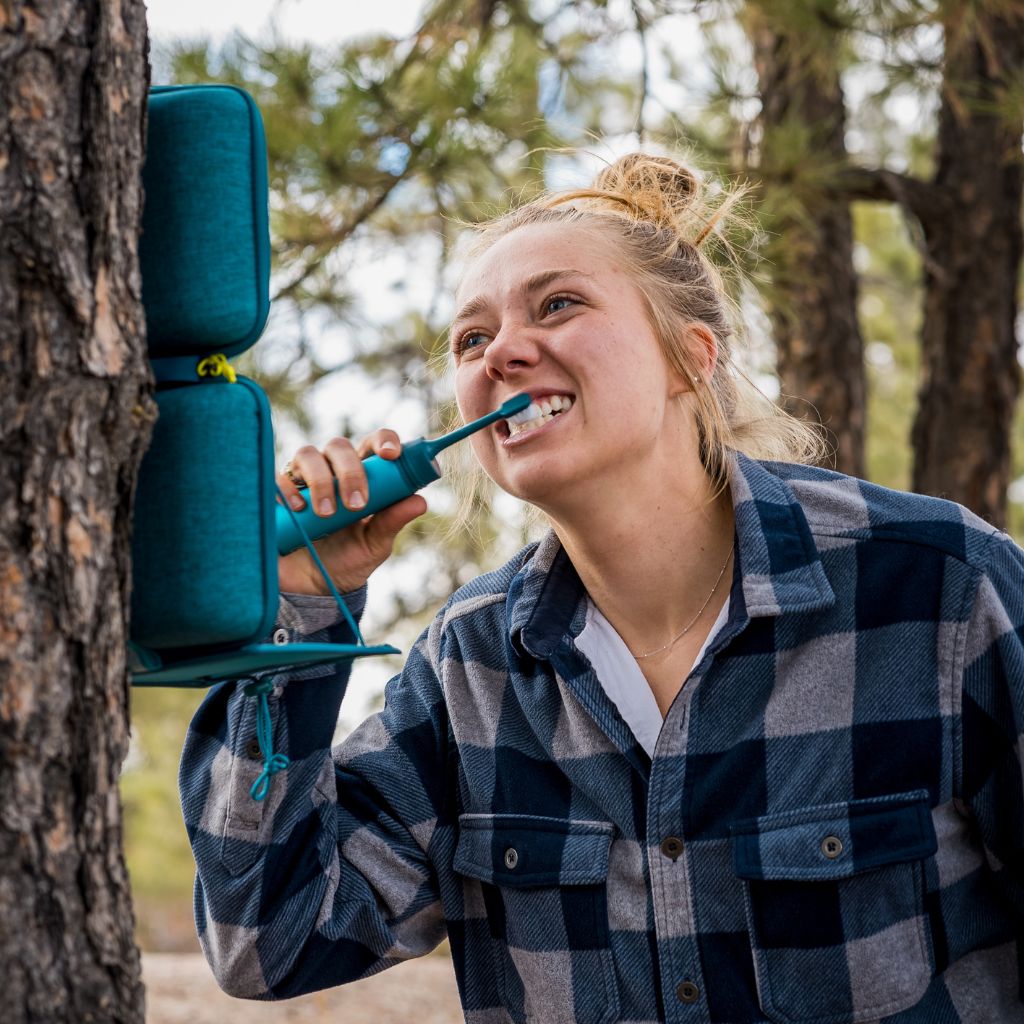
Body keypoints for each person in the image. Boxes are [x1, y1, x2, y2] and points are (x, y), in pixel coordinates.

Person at [179, 154, 1024, 1023]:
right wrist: (301, 613)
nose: (501, 351)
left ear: (691, 358)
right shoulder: (469, 664)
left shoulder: (940, 586)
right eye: (472, 339)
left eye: (559, 305)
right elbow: (267, 941)